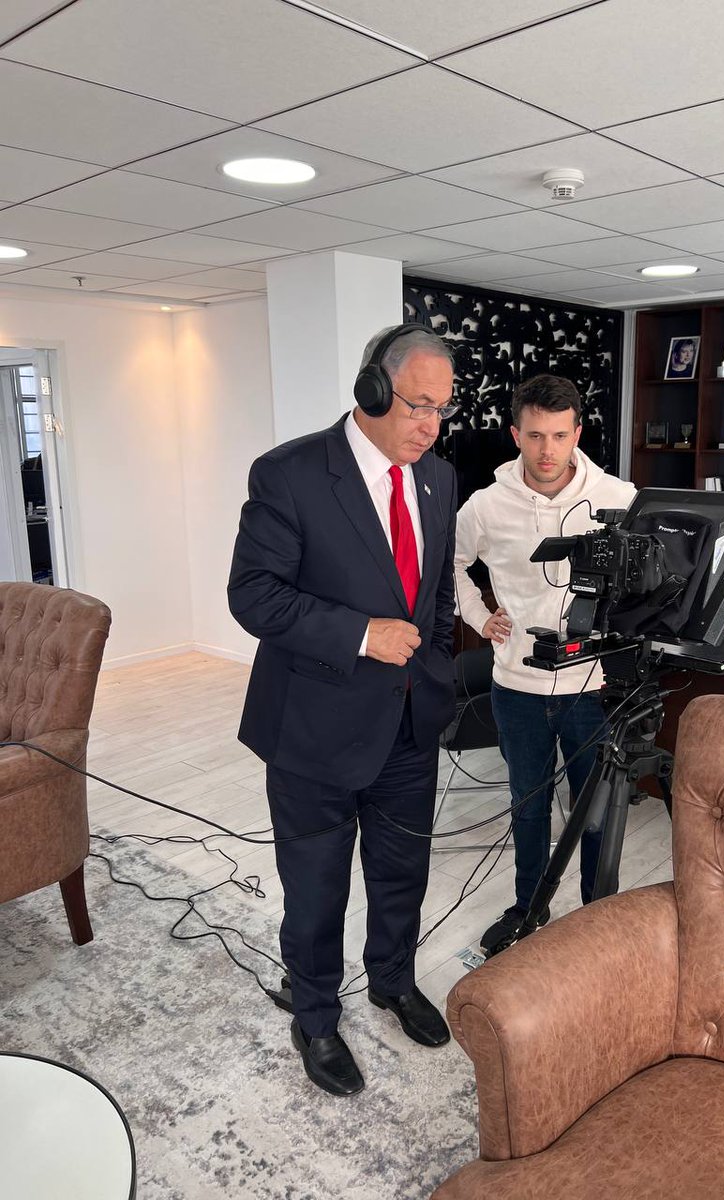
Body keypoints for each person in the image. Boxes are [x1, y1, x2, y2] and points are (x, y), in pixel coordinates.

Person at [228, 324, 459, 1097]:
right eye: (418, 405)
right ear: (372, 390)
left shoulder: (438, 478)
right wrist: (362, 634)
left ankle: (391, 981)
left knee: (402, 873)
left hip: (408, 725)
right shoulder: (290, 473)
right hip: (313, 730)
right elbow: (252, 596)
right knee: (317, 888)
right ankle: (316, 1016)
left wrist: (434, 667)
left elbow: (435, 595)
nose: (430, 426)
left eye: (442, 409)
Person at [453, 374, 636, 951]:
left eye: (559, 436)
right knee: (528, 808)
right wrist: (478, 616)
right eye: (534, 436)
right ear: (516, 435)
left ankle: (596, 918)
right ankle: (528, 909)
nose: (547, 450)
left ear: (577, 432)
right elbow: (449, 565)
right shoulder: (485, 505)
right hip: (517, 686)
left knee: (596, 812)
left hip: (593, 686)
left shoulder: (619, 497)